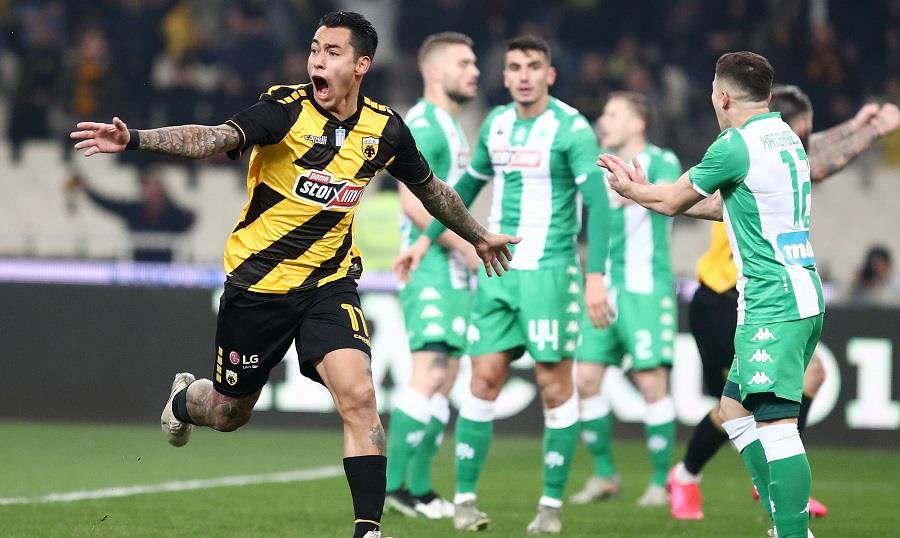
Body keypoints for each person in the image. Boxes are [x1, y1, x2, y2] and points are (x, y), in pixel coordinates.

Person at [69, 11, 520, 538]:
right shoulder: (283, 110)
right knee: (230, 413)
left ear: (361, 65)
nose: (317, 61)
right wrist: (137, 139)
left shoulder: (385, 129)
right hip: (257, 287)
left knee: (360, 397)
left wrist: (477, 234)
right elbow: (213, 137)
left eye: (332, 52)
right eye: (314, 49)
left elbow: (432, 191)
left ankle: (369, 530)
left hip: (329, 285)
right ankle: (184, 401)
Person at [599, 51, 822, 538]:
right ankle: (784, 520)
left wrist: (633, 189)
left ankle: (793, 532)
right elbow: (726, 207)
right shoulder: (785, 137)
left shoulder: (734, 145)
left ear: (722, 97)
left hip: (772, 301)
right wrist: (657, 192)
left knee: (777, 427)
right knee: (734, 411)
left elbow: (672, 202)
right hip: (801, 291)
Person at [395, 35, 612, 534]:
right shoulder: (495, 123)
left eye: (533, 66)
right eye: (514, 67)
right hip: (499, 271)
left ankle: (550, 506)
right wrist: (425, 241)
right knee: (482, 381)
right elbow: (465, 188)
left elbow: (598, 204)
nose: (523, 75)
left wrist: (595, 276)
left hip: (551, 274)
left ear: (549, 75)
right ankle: (465, 500)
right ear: (506, 75)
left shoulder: (571, 128)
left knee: (554, 388)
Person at [667, 85, 900, 521]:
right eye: (804, 130)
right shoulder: (755, 154)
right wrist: (869, 133)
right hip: (723, 298)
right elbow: (818, 163)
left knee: (748, 402)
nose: (807, 139)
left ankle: (703, 478)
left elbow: (812, 151)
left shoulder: (770, 148)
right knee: (748, 403)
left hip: (756, 297)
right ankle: (706, 478)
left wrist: (856, 125)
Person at [384, 32, 481, 520]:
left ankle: (418, 487)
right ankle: (390, 487)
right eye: (465, 63)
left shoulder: (451, 125)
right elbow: (411, 203)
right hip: (430, 269)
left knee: (447, 378)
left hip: (452, 270)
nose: (475, 71)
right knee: (430, 371)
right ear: (436, 71)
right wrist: (466, 244)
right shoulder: (422, 123)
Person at [568, 92, 682, 508]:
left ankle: (660, 483)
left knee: (651, 383)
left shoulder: (662, 161)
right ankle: (604, 476)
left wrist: (630, 188)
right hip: (604, 287)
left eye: (613, 113)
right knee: (585, 380)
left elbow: (671, 198)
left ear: (637, 123)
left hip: (646, 287)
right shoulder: (595, 165)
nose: (604, 120)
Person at [67, 169, 195, 262]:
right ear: (145, 189)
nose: (154, 192)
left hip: (164, 269)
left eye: (157, 188)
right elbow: (106, 203)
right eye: (151, 187)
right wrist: (86, 188)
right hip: (137, 268)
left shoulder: (174, 214)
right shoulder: (135, 210)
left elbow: (188, 220)